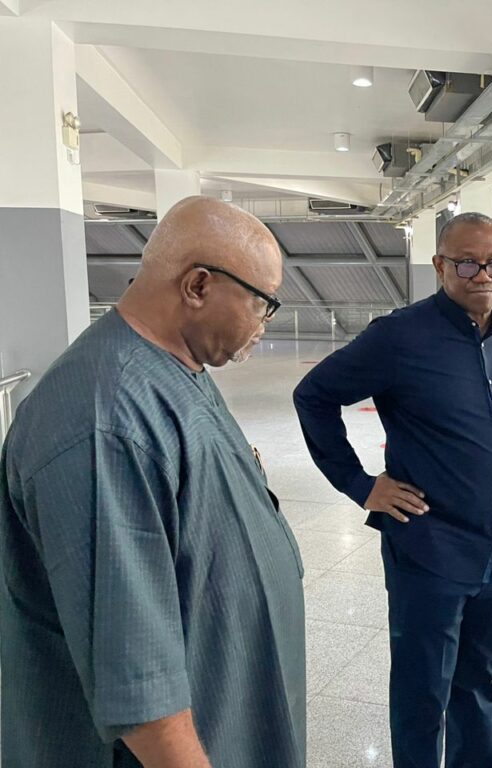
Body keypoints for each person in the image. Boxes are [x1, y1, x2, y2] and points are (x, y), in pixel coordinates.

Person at [0, 196, 306, 767]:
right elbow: (140, 688)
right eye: (262, 303)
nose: (266, 324)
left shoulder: (178, 367)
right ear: (197, 286)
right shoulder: (103, 421)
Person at [293, 212, 492, 768]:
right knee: (423, 695)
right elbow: (313, 395)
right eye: (467, 262)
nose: (483, 274)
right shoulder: (399, 337)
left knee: (478, 686)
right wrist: (359, 485)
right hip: (427, 553)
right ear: (440, 266)